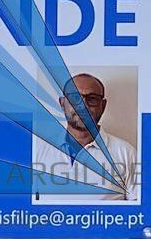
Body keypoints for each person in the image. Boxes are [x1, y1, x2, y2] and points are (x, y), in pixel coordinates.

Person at [32, 73, 139, 202]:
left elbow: (137, 213)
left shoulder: (126, 153)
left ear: (103, 106)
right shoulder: (37, 149)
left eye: (92, 98)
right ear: (62, 103)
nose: (83, 105)